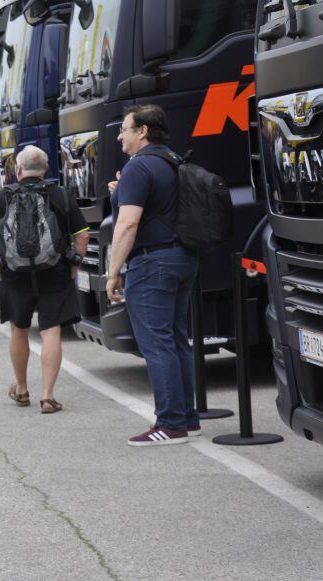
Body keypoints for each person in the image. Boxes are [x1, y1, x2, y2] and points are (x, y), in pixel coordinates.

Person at [107, 104, 200, 446]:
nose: (120, 136)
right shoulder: (171, 160)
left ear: (143, 131)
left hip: (152, 262)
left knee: (157, 343)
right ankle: (187, 417)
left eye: (125, 129)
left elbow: (129, 224)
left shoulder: (138, 167)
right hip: (182, 257)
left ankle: (170, 423)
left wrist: (113, 272)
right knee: (176, 339)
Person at [0, 146, 89, 414]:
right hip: (55, 273)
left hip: (14, 276)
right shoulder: (60, 194)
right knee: (51, 330)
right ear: (47, 169)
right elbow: (82, 236)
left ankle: (21, 388)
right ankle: (48, 396)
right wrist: (74, 267)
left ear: (18, 170)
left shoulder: (2, 197)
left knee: (19, 329)